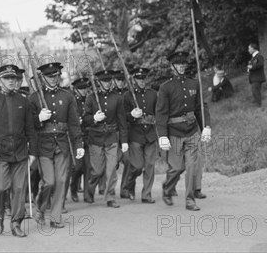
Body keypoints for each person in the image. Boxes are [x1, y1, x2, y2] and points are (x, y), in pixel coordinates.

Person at [0, 65, 38, 237]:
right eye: (7, 78)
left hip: (20, 153)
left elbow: (30, 130)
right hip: (0, 153)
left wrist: (33, 152)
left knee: (19, 188)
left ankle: (16, 223)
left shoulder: (23, 101)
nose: (12, 81)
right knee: (1, 187)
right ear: (0, 81)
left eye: (14, 78)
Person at [29, 62, 83, 229]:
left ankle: (55, 217)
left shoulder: (67, 96)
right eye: (49, 76)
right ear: (42, 78)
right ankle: (40, 206)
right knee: (49, 182)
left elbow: (74, 123)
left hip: (62, 143)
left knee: (61, 180)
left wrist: (79, 144)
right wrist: (38, 118)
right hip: (43, 144)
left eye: (55, 76)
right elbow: (28, 126)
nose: (53, 79)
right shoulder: (34, 97)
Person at [156, 52, 211, 211]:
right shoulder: (166, 87)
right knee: (177, 168)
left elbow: (201, 108)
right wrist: (162, 136)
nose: (181, 67)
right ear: (171, 67)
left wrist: (206, 126)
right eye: (177, 64)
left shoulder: (194, 84)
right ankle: (167, 188)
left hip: (192, 131)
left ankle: (190, 200)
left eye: (183, 64)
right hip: (174, 133)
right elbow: (161, 113)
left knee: (192, 167)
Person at [82, 70, 128, 208]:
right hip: (95, 138)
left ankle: (110, 197)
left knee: (112, 168)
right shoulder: (91, 98)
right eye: (104, 81)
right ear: (98, 82)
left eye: (109, 81)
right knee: (97, 171)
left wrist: (124, 140)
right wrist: (94, 119)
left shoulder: (117, 98)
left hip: (111, 137)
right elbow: (85, 120)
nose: (107, 84)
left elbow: (122, 120)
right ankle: (89, 190)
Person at [121, 68, 158, 204]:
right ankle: (129, 185)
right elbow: (122, 117)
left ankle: (146, 195)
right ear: (134, 80)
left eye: (144, 78)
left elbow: (158, 113)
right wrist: (131, 115)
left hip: (150, 134)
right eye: (139, 79)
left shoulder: (153, 94)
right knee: (137, 166)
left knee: (149, 165)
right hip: (135, 135)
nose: (142, 81)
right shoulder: (128, 96)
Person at [68, 77, 90, 203]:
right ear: (75, 89)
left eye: (84, 88)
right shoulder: (72, 102)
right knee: (77, 167)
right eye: (80, 88)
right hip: (76, 137)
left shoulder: (89, 100)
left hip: (88, 135)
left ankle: (87, 194)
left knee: (88, 166)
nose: (83, 90)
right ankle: (74, 188)